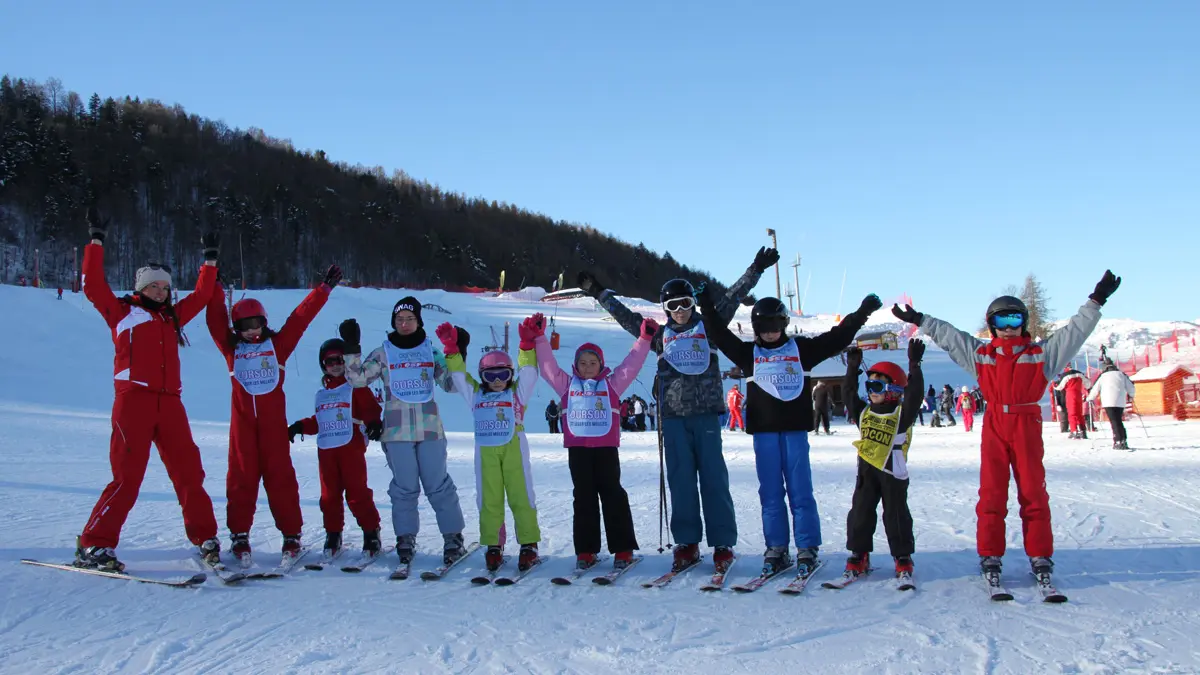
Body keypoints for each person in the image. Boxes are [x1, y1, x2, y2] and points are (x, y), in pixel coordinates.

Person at [891, 269, 1120, 585]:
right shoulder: (981, 355)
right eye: (1002, 322)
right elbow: (951, 337)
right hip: (996, 425)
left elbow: (1074, 333)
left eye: (1015, 321)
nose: (1009, 329)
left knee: (1033, 492)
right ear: (992, 326)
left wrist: (1096, 300)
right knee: (992, 493)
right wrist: (920, 318)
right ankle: (990, 554)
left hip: (1026, 425)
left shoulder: (1041, 354)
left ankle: (1039, 553)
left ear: (1024, 323)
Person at [575, 246, 778, 573]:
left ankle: (722, 542)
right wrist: (599, 292)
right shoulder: (658, 334)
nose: (680, 310)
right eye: (673, 305)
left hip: (705, 415)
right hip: (672, 418)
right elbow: (627, 317)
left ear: (693, 304)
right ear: (665, 307)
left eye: (685, 303)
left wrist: (757, 267)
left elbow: (734, 294)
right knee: (681, 479)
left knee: (713, 478)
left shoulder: (709, 324)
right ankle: (687, 542)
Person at [74, 206, 223, 572]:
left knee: (189, 472)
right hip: (133, 401)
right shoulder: (122, 312)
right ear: (141, 287)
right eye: (155, 286)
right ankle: (94, 543)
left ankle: (204, 536)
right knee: (128, 476)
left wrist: (210, 259)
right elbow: (92, 285)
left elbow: (203, 296)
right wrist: (96, 239)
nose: (161, 291)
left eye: (166, 287)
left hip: (170, 402)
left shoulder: (172, 317)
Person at [700, 291, 878, 575]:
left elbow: (837, 338)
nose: (770, 335)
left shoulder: (802, 350)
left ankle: (807, 547)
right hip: (764, 434)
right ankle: (777, 548)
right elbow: (720, 335)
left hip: (795, 432)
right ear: (756, 329)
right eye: (764, 329)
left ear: (783, 325)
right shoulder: (748, 354)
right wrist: (707, 306)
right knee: (770, 493)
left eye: (775, 328)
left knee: (800, 491)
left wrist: (862, 313)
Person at [205, 266, 341, 564]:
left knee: (281, 479)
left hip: (272, 430)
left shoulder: (276, 346)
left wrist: (322, 291)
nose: (252, 330)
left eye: (257, 324)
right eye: (245, 325)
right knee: (241, 479)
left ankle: (291, 535)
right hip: (242, 430)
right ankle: (239, 535)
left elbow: (299, 320)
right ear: (237, 328)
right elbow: (215, 321)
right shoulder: (231, 349)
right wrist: (213, 283)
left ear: (265, 323)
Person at [339, 297, 468, 566]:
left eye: (409, 319)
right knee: (404, 488)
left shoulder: (429, 351)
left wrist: (458, 354)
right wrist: (351, 348)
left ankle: (453, 537)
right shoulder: (383, 353)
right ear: (393, 323)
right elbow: (357, 378)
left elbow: (451, 385)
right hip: (397, 432)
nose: (405, 324)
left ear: (418, 321)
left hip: (430, 429)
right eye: (400, 320)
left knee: (438, 485)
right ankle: (406, 537)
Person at [531, 312, 655, 571]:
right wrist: (540, 337)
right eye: (583, 363)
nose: (587, 367)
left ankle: (623, 548)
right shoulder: (566, 384)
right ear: (576, 365)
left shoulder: (612, 384)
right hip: (578, 451)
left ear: (601, 365)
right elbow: (547, 368)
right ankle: (586, 551)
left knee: (613, 495)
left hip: (606, 449)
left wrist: (644, 339)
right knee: (583, 497)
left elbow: (631, 365)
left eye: (592, 362)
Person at [438, 323, 542, 573]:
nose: (497, 382)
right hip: (486, 451)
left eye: (503, 375)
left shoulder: (517, 395)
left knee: (521, 495)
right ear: (482, 376)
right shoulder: (476, 395)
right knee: (488, 497)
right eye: (490, 376)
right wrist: (451, 351)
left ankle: (529, 543)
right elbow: (460, 378)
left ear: (510, 375)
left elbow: (529, 374)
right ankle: (493, 544)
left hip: (513, 447)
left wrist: (526, 346)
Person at [286, 339, 384, 560]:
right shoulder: (323, 394)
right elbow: (320, 419)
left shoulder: (355, 387)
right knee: (329, 496)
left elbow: (370, 408)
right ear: (323, 365)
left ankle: (371, 532)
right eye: (330, 361)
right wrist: (300, 426)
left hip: (351, 449)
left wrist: (373, 422)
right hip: (327, 451)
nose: (336, 365)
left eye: (340, 360)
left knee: (357, 493)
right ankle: (333, 533)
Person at [838, 340, 924, 582]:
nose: (871, 391)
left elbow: (915, 395)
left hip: (892, 470)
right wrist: (852, 368)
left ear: (894, 390)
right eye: (869, 385)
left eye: (877, 385)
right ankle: (859, 553)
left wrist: (914, 366)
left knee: (896, 514)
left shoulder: (901, 414)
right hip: (867, 470)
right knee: (861, 511)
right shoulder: (864, 411)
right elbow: (848, 394)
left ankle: (902, 555)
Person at [1087, 359, 1136, 449]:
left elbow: (1095, 389)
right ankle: (1123, 440)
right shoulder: (1121, 374)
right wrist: (1132, 395)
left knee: (1114, 421)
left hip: (1108, 401)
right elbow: (1131, 387)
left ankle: (1118, 441)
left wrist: (1089, 398)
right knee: (1118, 421)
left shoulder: (1103, 376)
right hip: (1120, 401)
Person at [1055, 367, 1089, 439]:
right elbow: (1088, 384)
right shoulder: (1080, 375)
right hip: (1079, 394)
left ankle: (1074, 431)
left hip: (1070, 394)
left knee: (1071, 414)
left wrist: (1054, 385)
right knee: (1079, 414)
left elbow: (1059, 387)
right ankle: (1083, 431)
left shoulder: (1066, 376)